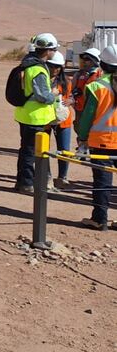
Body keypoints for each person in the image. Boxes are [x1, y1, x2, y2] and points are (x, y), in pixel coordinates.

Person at [76, 44, 117, 231]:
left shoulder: (96, 87)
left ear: (103, 64)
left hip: (102, 142)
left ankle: (99, 219)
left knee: (102, 183)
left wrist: (82, 137)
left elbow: (87, 116)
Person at [12, 33, 58, 193]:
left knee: (25, 150)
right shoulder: (37, 69)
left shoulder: (27, 64)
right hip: (35, 117)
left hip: (25, 115)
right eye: (54, 49)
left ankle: (22, 182)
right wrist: (54, 94)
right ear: (48, 51)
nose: (55, 52)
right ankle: (26, 183)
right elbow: (42, 96)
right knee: (31, 152)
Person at [47, 51, 74, 190]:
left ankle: (62, 177)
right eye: (52, 66)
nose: (55, 69)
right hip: (45, 120)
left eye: (58, 67)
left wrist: (71, 100)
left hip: (63, 120)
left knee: (64, 150)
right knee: (43, 150)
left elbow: (75, 96)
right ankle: (47, 177)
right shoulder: (42, 79)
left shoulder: (66, 81)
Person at [73, 48, 102, 124]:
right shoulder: (80, 74)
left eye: (87, 59)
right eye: (83, 59)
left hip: (92, 110)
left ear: (94, 61)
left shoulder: (100, 75)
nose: (84, 61)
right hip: (80, 109)